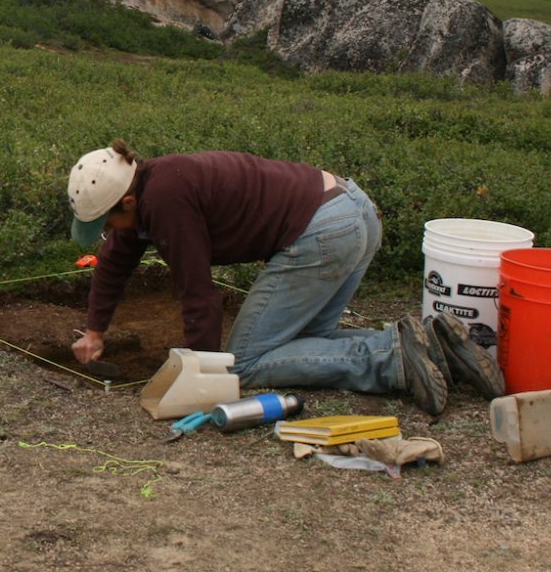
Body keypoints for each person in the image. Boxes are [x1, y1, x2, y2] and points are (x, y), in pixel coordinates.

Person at [66, 140, 504, 415]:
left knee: (248, 362)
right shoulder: (148, 188)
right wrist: (94, 331)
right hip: (352, 210)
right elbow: (115, 260)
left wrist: (201, 375)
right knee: (299, 347)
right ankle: (436, 343)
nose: (105, 234)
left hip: (322, 231)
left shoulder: (166, 201)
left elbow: (199, 295)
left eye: (105, 222)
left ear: (126, 200)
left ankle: (394, 361)